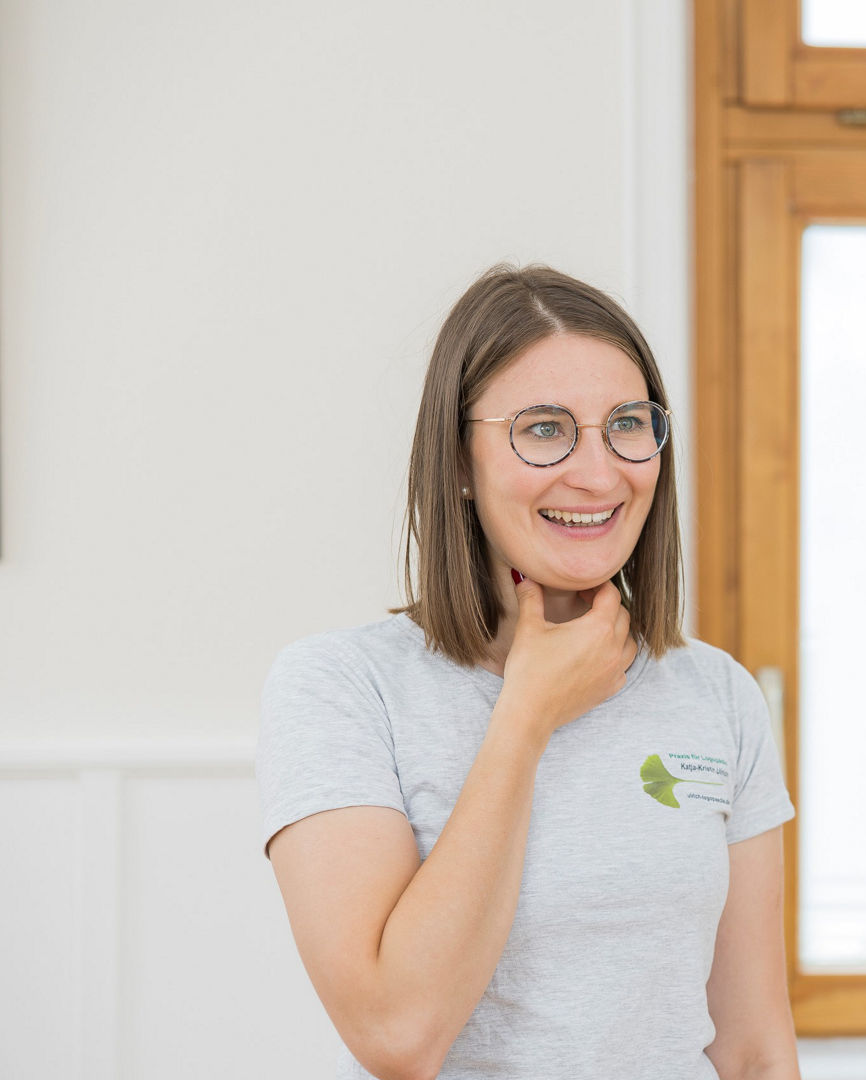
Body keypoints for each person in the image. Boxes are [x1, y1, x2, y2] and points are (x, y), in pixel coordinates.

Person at [256, 265, 799, 1080]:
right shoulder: (339, 689)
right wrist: (528, 713)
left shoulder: (717, 695)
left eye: (626, 424)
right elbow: (399, 1034)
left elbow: (754, 1048)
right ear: (461, 464)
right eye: (544, 429)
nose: (598, 472)